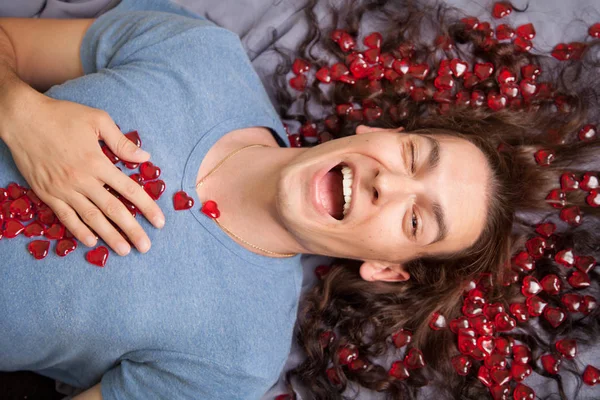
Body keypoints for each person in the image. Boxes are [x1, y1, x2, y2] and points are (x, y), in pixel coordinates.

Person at [0, 0, 597, 400]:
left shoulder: (236, 361)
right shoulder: (200, 54)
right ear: (379, 134)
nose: (388, 183)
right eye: (413, 157)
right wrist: (21, 111)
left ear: (387, 268)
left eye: (416, 219)